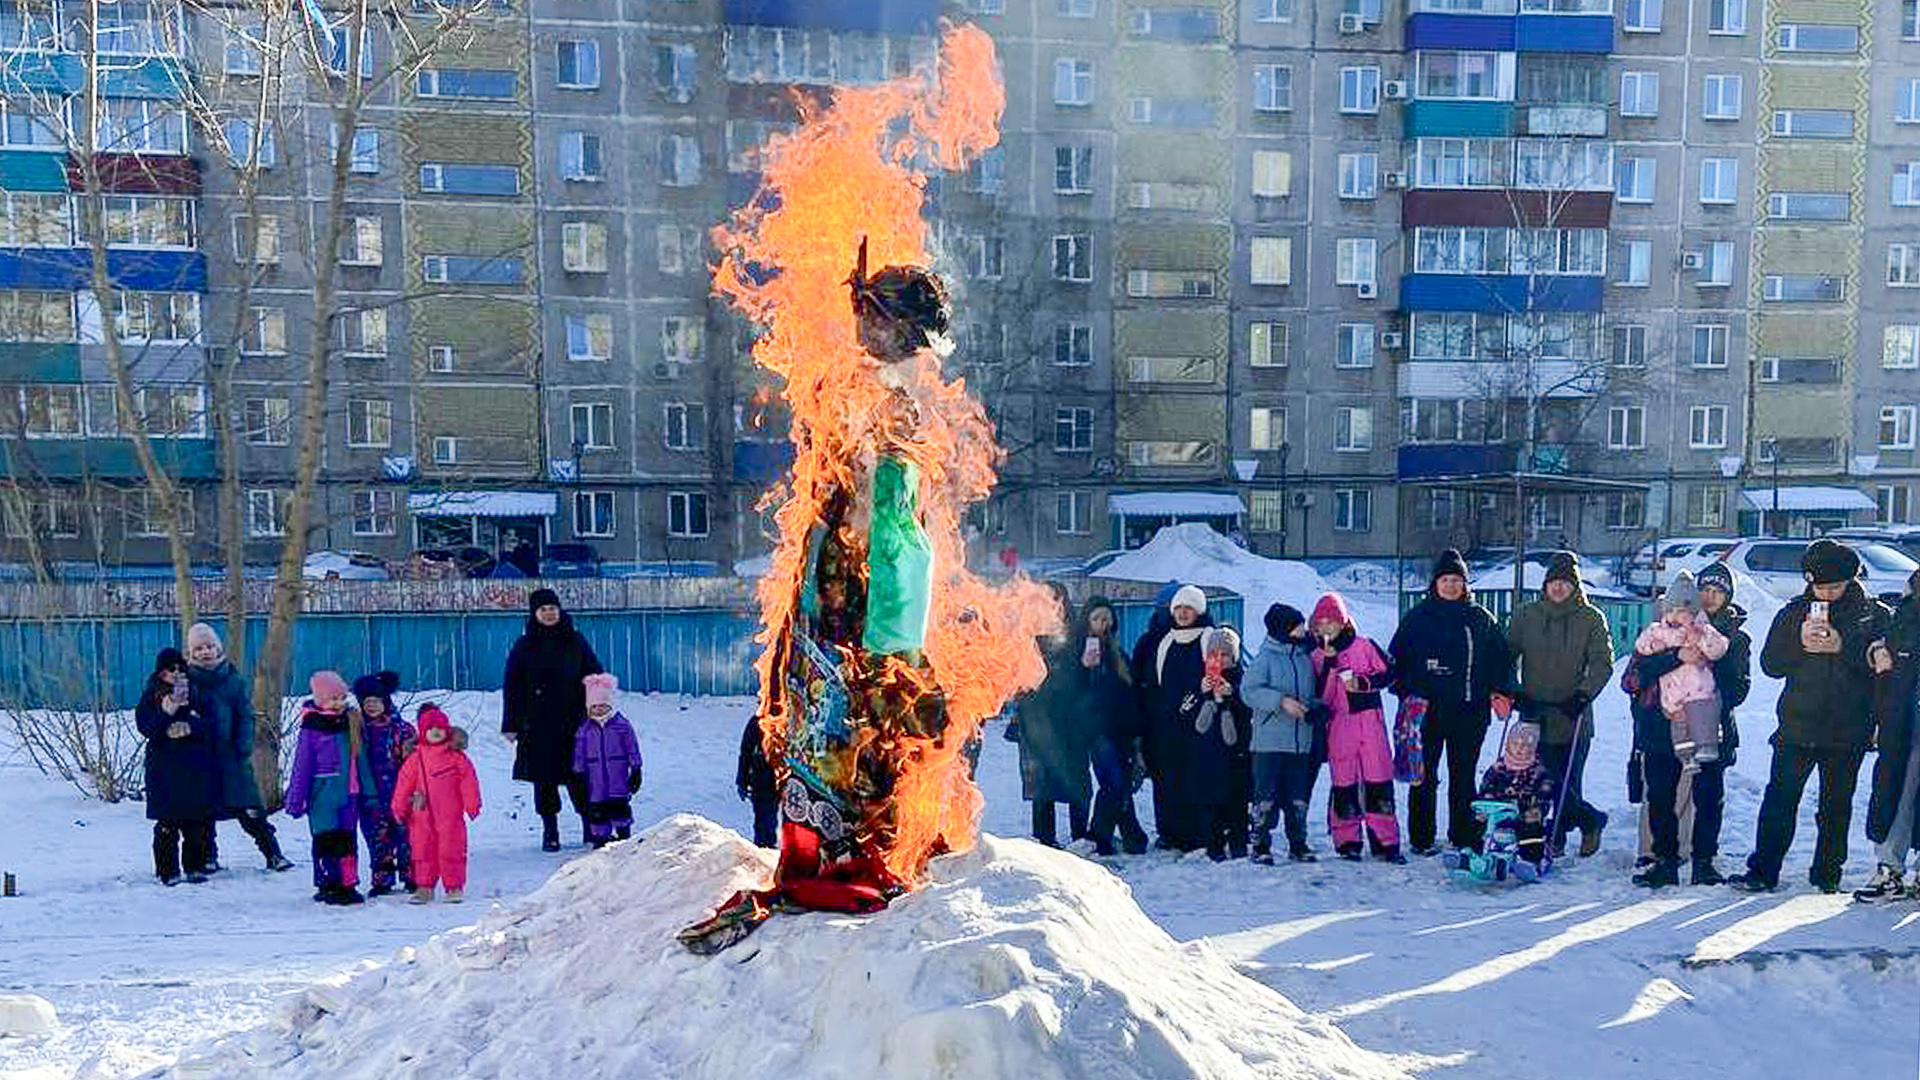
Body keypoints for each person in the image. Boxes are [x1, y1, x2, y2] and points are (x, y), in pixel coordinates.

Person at [1733, 539, 1893, 893]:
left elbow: (1885, 672)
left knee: (1835, 807)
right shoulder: (1794, 612)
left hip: (1848, 728)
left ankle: (1827, 874)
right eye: (1819, 586)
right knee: (1780, 801)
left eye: (1834, 586)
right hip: (1797, 724)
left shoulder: (1874, 614)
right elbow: (1771, 666)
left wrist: (1842, 647)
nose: (1826, 593)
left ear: (1851, 580)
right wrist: (1798, 643)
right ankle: (1763, 871)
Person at [1389, 549, 1511, 856]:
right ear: (1435, 583)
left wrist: (1501, 689)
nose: (1451, 585)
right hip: (1426, 712)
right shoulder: (1417, 618)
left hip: (1469, 711)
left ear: (1465, 584)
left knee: (1463, 775)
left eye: (1457, 580)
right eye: (1446, 579)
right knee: (1424, 776)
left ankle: (1463, 835)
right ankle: (1421, 838)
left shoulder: (1480, 618)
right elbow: (1397, 662)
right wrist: (1409, 692)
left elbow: (1501, 660)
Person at [1504, 552, 1614, 857]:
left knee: (1567, 779)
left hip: (1572, 712)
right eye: (1554, 582)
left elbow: (1602, 663)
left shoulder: (1591, 618)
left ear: (1575, 586)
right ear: (1545, 584)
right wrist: (1514, 691)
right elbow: (1506, 656)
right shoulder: (1527, 615)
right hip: (1534, 711)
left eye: (1565, 583)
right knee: (1539, 779)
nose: (1558, 588)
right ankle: (1589, 821)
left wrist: (1583, 694)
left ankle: (1559, 836)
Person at [183, 623, 292, 874]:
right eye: (199, 648)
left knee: (250, 808)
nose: (205, 652)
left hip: (232, 756)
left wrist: (243, 744)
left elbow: (245, 714)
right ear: (191, 653)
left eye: (210, 646)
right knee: (204, 811)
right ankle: (209, 856)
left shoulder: (232, 680)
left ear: (218, 649)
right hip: (202, 759)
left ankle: (272, 852)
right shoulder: (187, 682)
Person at [503, 588, 603, 851]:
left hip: (575, 722)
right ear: (534, 614)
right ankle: (550, 830)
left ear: (560, 611)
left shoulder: (575, 640)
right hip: (537, 724)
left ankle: (589, 825)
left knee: (580, 776)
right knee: (544, 778)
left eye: (553, 608)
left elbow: (595, 676)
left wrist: (598, 709)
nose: (549, 613)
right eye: (543, 609)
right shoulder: (524, 645)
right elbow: (512, 686)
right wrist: (511, 725)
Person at [1311, 592, 1404, 863]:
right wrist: (1329, 662)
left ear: (1343, 622)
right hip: (1339, 724)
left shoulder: (1364, 645)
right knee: (1344, 783)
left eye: (1332, 621)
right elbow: (1320, 695)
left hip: (1370, 723)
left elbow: (1390, 673)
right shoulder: (1317, 655)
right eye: (1321, 623)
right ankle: (1347, 841)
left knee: (1378, 781)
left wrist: (1363, 683)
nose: (1326, 628)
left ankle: (1385, 841)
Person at [285, 671, 377, 905]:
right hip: (322, 796)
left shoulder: (351, 722)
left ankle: (347, 884)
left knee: (347, 840)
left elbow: (361, 760)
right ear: (319, 700)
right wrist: (296, 799)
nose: (338, 703)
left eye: (341, 698)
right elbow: (302, 765)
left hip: (350, 795)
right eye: (332, 698)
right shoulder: (312, 727)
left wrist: (370, 792)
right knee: (326, 840)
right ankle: (327, 883)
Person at [1241, 603, 1323, 864]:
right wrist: (1280, 701)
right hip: (1269, 742)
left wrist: (1315, 708)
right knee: (1265, 795)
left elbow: (1311, 693)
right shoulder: (1265, 658)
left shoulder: (1304, 656)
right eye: (1297, 624)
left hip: (1300, 741)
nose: (1303, 628)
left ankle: (1298, 843)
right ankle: (1260, 844)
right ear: (1284, 628)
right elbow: (1249, 691)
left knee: (1298, 796)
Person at [1017, 589, 1096, 847]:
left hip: (1073, 721)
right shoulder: (1028, 640)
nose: (1051, 606)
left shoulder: (1078, 639)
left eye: (1056, 601)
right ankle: (1044, 837)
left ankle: (1080, 835)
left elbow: (1089, 679)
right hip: (1038, 723)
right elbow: (1020, 682)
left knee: (1078, 779)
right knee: (1042, 784)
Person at [1859, 568, 1920, 902]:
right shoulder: (1908, 606)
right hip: (1903, 720)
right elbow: (1888, 651)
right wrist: (1877, 652)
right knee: (1897, 791)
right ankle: (1889, 869)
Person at [135, 648, 218, 886]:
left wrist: (191, 726)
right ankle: (167, 870)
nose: (176, 674)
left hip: (194, 769)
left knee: (196, 824)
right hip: (164, 770)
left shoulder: (196, 693)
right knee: (167, 825)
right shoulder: (152, 696)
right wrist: (166, 712)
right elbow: (146, 727)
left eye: (181, 669)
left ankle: (194, 866)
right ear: (161, 672)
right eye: (171, 669)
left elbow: (211, 723)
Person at [1146, 585, 1216, 851]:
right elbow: (1157, 683)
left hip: (1200, 722)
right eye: (1179, 608)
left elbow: (1214, 677)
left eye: (1189, 608)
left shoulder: (1208, 638)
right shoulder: (1165, 641)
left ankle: (1199, 834)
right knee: (1169, 779)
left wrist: (1196, 698)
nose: (1183, 613)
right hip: (1168, 724)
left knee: (1197, 777)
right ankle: (1171, 833)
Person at [392, 704, 482, 904]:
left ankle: (454, 887)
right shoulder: (415, 758)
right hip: (421, 815)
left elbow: (468, 781)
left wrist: (472, 804)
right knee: (423, 852)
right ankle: (424, 887)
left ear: (447, 731)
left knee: (452, 850)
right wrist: (399, 807)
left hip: (450, 815)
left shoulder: (456, 757)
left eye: (440, 728)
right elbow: (404, 784)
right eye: (430, 728)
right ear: (423, 732)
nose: (435, 731)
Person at [1081, 596, 1149, 857]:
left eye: (1107, 618)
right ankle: (1099, 836)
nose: (1103, 624)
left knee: (1120, 784)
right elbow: (1075, 691)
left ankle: (1133, 837)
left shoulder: (1118, 653)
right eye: (1097, 618)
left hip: (1122, 730)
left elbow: (1129, 692)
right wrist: (1084, 669)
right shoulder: (1082, 651)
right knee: (1114, 784)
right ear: (1088, 622)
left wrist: (1136, 727)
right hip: (1098, 731)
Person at [1187, 626, 1251, 861]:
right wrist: (1200, 693)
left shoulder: (1243, 680)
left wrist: (1232, 695)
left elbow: (1249, 712)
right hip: (1208, 753)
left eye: (1225, 655)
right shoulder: (1199, 679)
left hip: (1236, 754)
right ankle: (1213, 844)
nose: (1220, 660)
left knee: (1237, 801)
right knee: (1211, 801)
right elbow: (1183, 711)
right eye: (1214, 654)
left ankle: (1239, 842)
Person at [1129, 580, 1186, 845]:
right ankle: (1168, 831)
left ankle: (1184, 830)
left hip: (1186, 719)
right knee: (1163, 779)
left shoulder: (1198, 636)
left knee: (1184, 777)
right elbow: (1137, 682)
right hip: (1156, 721)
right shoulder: (1149, 641)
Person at [353, 671, 415, 897]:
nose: (371, 706)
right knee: (377, 837)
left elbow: (414, 762)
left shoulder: (402, 729)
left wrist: (415, 789)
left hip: (401, 791)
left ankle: (412, 876)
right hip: (371, 794)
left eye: (376, 701)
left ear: (385, 702)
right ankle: (382, 878)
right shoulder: (358, 730)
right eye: (366, 702)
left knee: (406, 835)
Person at [574, 674, 644, 848]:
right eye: (594, 707)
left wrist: (636, 768)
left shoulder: (622, 726)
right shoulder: (585, 729)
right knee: (598, 810)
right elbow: (579, 753)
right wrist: (578, 772)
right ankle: (600, 838)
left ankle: (623, 836)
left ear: (610, 705)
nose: (598, 710)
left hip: (617, 777)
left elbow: (632, 747)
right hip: (595, 780)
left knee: (619, 807)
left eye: (602, 706)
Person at [1474, 722, 1556, 868]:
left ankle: (1530, 860)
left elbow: (1544, 794)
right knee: (1474, 824)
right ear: (1509, 744)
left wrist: (1536, 810)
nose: (1520, 749)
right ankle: (1472, 853)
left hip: (1523, 815)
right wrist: (1485, 803)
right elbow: (1486, 788)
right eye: (1516, 744)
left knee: (1531, 832)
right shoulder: (1498, 768)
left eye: (1526, 746)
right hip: (1496, 815)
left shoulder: (1539, 771)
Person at [736, 714, 780, 848]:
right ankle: (765, 852)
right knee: (765, 824)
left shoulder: (794, 718)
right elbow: (746, 752)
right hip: (763, 780)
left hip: (789, 780)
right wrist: (742, 780)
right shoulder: (758, 721)